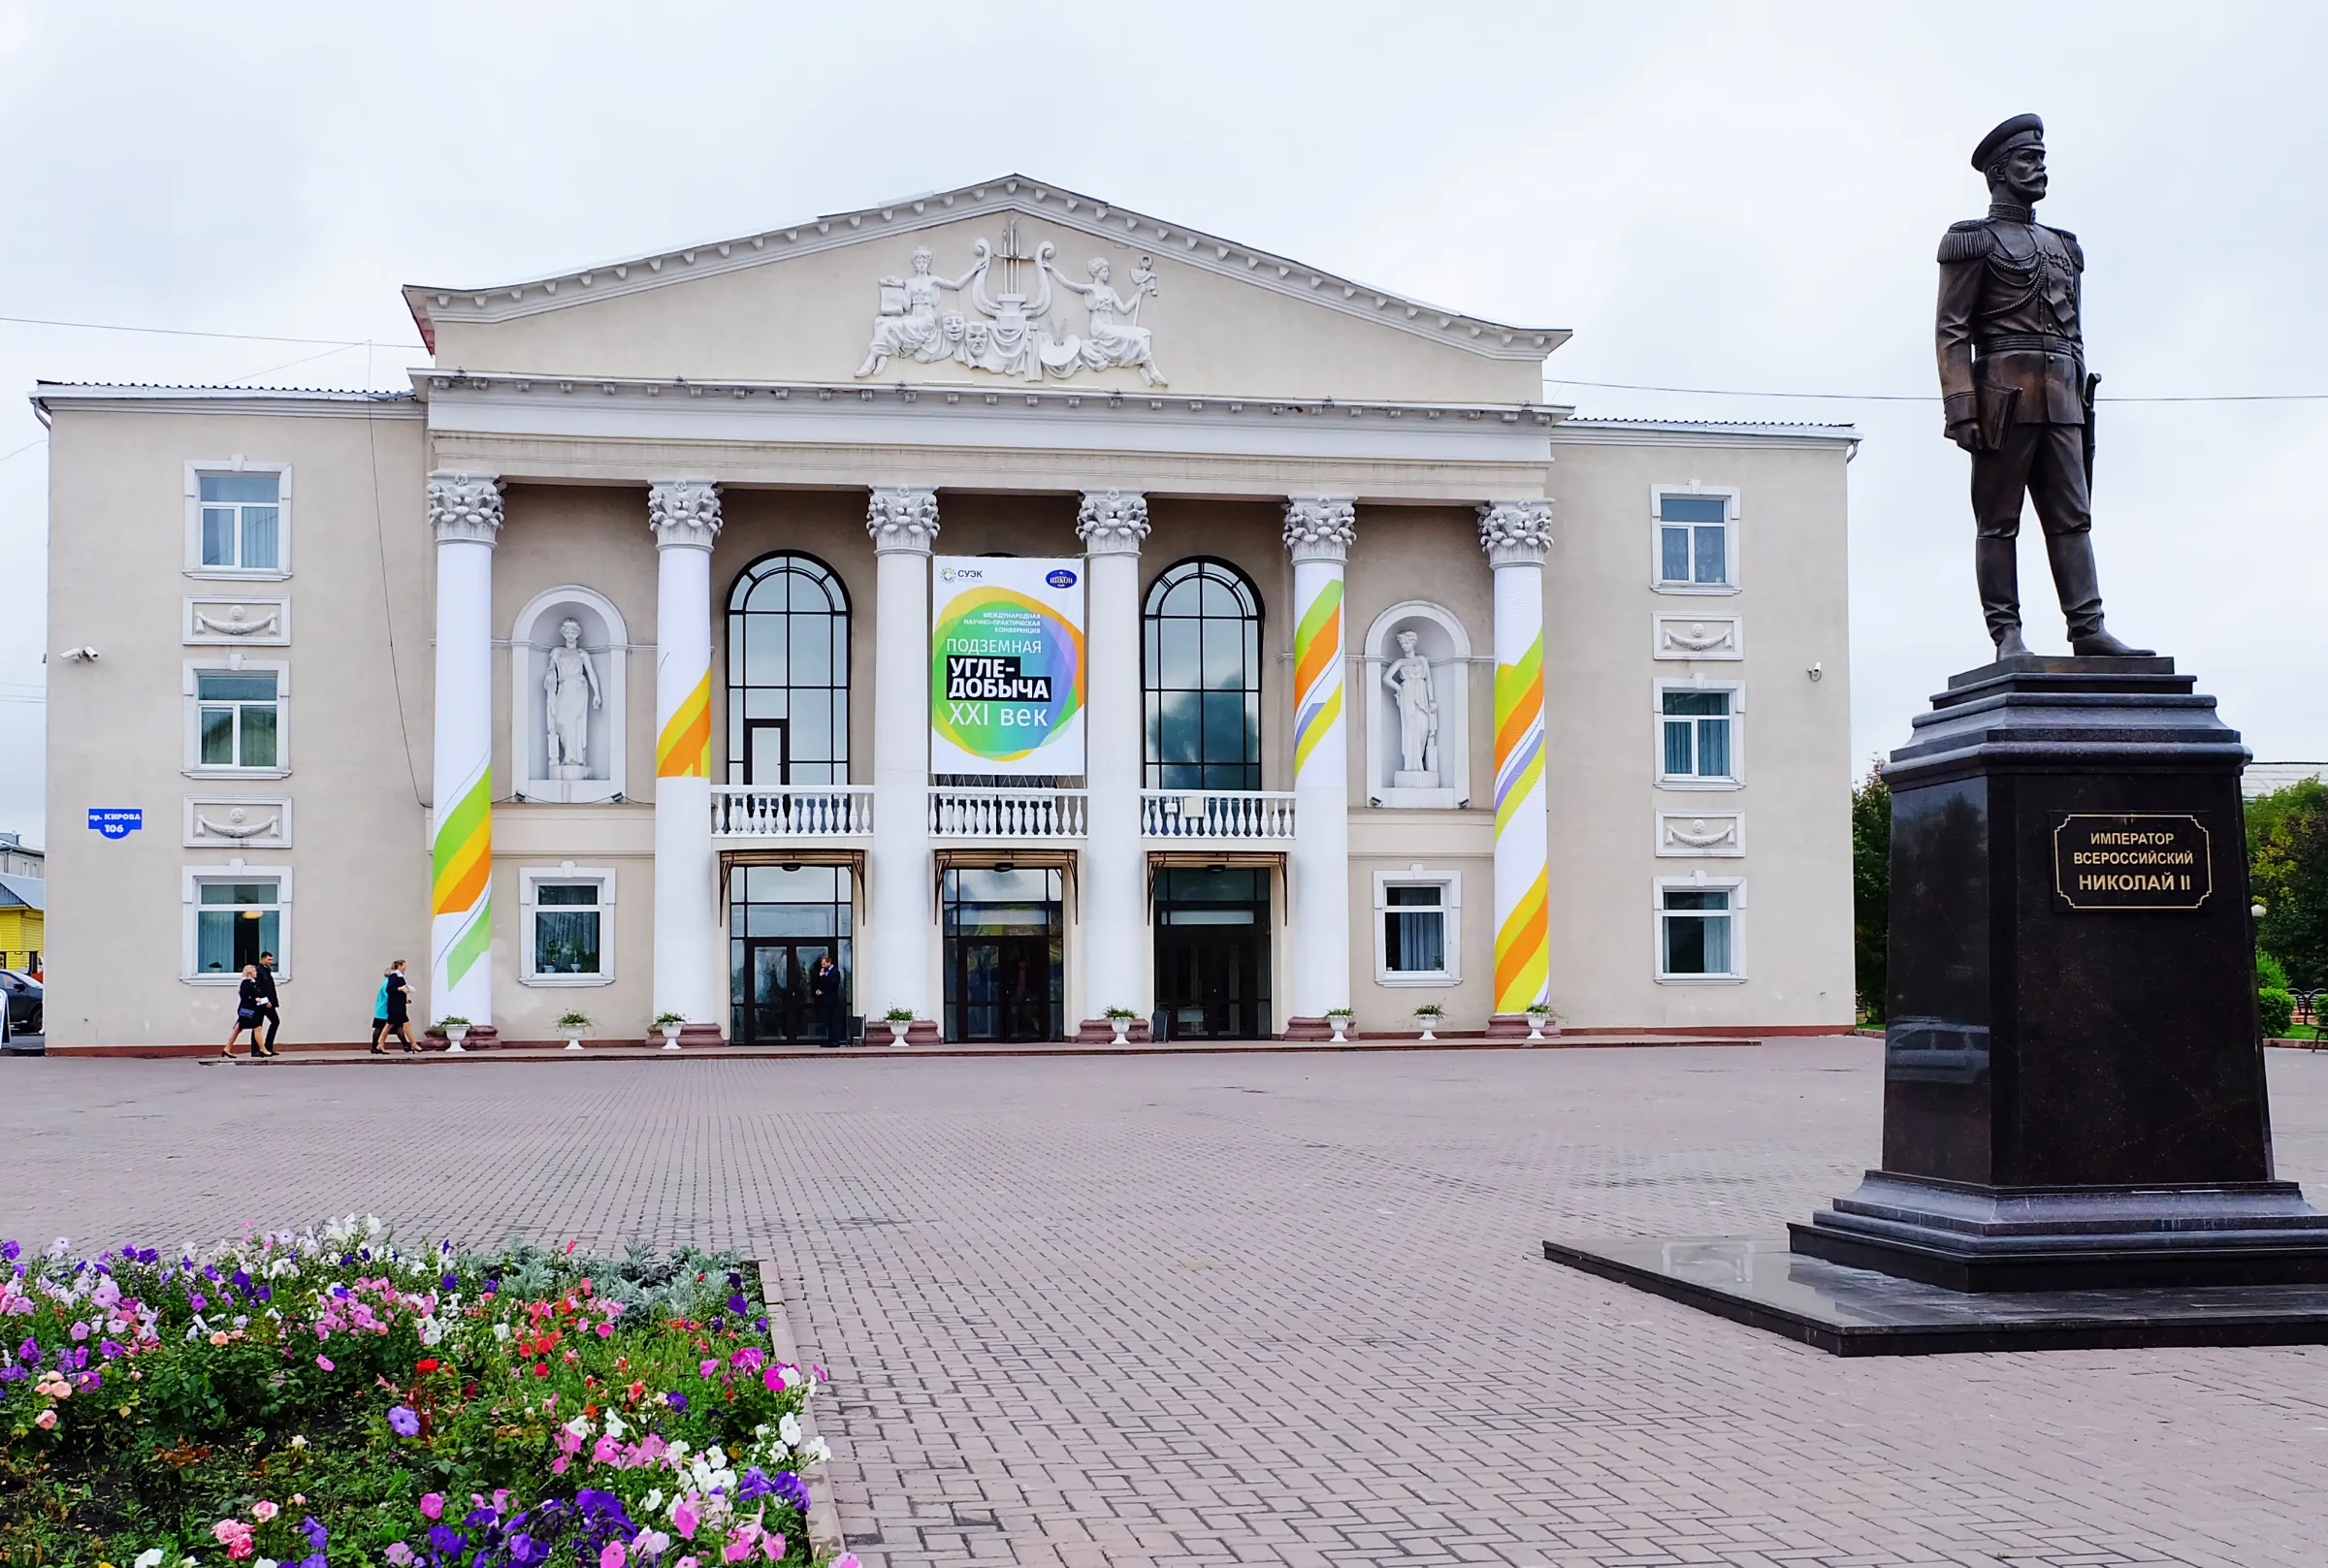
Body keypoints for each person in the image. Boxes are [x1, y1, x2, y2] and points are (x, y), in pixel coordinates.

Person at [1935, 112, 2148, 659]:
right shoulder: (1971, 241)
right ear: (2000, 172)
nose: (2041, 168)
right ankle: (2007, 635)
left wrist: (2079, 396)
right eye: (2028, 160)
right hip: (2003, 401)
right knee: (1999, 522)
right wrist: (1962, 407)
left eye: (2042, 159)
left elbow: (2075, 331)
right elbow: (1953, 330)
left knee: (2073, 519)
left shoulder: (2063, 245)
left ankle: (2088, 627)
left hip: (2064, 400)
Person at [370, 959, 417, 1055]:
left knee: (386, 1027)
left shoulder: (385, 982)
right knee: (394, 1027)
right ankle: (406, 1045)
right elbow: (389, 994)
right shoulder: (388, 983)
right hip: (385, 1009)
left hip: (381, 1008)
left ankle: (378, 1046)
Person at [226, 964, 267, 1059]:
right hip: (247, 1009)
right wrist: (255, 999)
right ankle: (263, 1049)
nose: (256, 973)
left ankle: (227, 1048)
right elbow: (246, 996)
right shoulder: (246, 983)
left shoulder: (250, 982)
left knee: (237, 1029)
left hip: (246, 1009)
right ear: (249, 973)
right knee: (257, 1028)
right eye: (254, 971)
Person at [811, 953, 845, 1048]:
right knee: (828, 1021)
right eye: (822, 964)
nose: (823, 966)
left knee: (834, 1021)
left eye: (824, 964)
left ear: (829, 962)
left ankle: (835, 1041)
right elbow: (824, 984)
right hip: (826, 1000)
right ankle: (829, 1040)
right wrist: (820, 990)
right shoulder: (826, 972)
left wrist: (823, 976)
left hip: (833, 1001)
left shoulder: (835, 972)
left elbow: (833, 983)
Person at [253, 950, 283, 1058]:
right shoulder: (259, 970)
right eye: (269, 959)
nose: (271, 961)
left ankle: (266, 1047)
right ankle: (257, 1049)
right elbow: (259, 988)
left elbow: (270, 987)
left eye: (271, 959)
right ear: (263, 959)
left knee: (271, 1023)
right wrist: (266, 1000)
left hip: (269, 1002)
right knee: (259, 1025)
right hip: (264, 1003)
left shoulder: (267, 970)